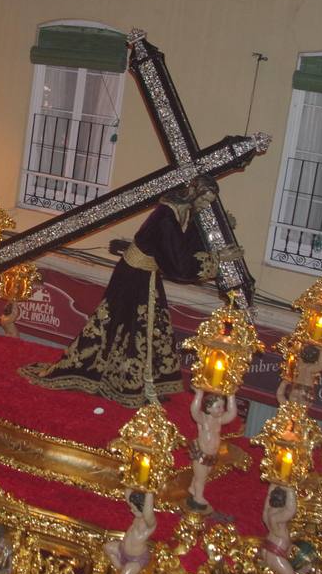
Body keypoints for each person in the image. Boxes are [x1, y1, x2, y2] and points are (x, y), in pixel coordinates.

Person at [21, 198, 218, 406]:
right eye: (204, 199)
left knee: (147, 329)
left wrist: (205, 232)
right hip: (135, 278)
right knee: (133, 330)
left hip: (143, 275)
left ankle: (143, 382)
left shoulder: (173, 212)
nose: (204, 202)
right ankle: (126, 384)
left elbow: (179, 250)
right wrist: (214, 258)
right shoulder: (166, 217)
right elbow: (179, 266)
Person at [186, 389, 237, 513]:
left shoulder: (219, 419)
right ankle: (198, 496)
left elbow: (232, 414)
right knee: (201, 478)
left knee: (204, 474)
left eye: (222, 406)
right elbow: (194, 411)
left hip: (212, 455)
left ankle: (193, 489)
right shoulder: (203, 419)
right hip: (201, 455)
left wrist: (231, 396)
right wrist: (199, 394)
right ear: (208, 408)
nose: (221, 410)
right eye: (218, 407)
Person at [103, 490, 155, 574]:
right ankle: (120, 568)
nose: (131, 511)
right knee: (107, 547)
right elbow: (128, 495)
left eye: (135, 509)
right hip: (122, 550)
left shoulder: (148, 523)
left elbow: (148, 512)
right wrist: (129, 481)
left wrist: (150, 493)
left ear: (143, 508)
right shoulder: (138, 517)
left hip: (137, 558)